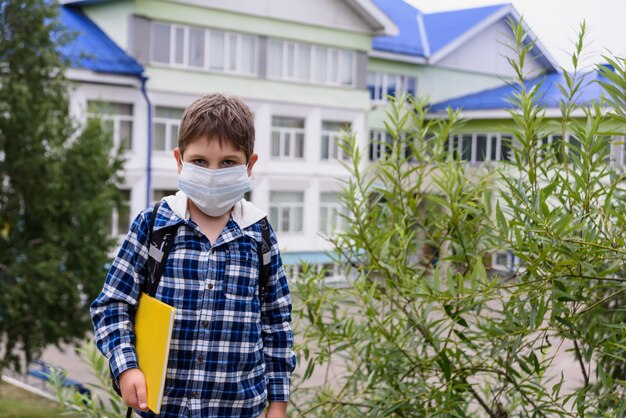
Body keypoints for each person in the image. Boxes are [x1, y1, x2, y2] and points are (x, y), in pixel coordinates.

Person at [91, 93, 296, 418]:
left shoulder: (260, 235)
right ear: (179, 160)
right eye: (200, 161)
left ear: (249, 165)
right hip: (165, 410)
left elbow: (276, 324)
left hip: (239, 411)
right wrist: (126, 366)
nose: (213, 173)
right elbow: (112, 305)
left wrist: (278, 405)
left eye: (228, 162)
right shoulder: (154, 225)